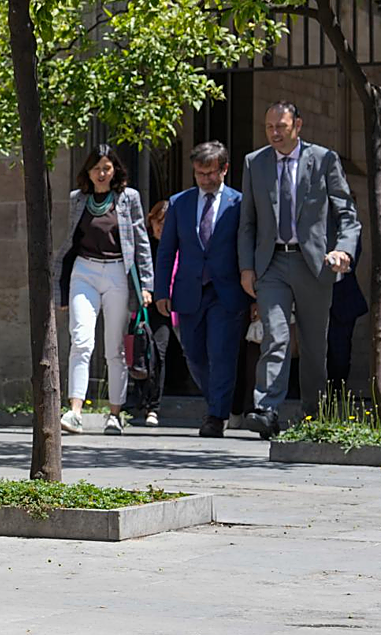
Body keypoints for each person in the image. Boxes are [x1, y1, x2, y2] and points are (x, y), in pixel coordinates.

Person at [238, 101, 360, 438]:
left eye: (281, 127)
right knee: (275, 336)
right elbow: (247, 221)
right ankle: (267, 409)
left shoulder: (323, 160)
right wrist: (246, 267)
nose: (275, 133)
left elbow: (347, 213)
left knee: (312, 345)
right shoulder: (254, 163)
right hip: (272, 262)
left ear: (298, 126)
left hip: (314, 264)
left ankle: (314, 413)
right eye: (269, 128)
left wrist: (343, 249)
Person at [53, 145, 154, 436]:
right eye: (96, 168)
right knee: (81, 339)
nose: (101, 173)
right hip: (84, 270)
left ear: (115, 171)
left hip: (117, 272)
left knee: (115, 348)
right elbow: (70, 240)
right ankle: (74, 411)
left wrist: (146, 285)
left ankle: (115, 412)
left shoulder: (127, 198)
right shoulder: (78, 199)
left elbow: (141, 241)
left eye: (106, 168)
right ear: (87, 171)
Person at [154, 142, 251, 438]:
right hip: (189, 291)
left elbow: (247, 247)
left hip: (227, 291)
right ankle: (222, 401)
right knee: (194, 354)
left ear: (224, 170)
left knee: (222, 353)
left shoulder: (240, 203)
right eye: (200, 174)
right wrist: (161, 290)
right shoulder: (180, 203)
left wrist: (253, 289)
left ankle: (216, 416)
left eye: (211, 173)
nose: (205, 179)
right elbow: (167, 250)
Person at [138, 199, 180, 427]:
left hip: (167, 306)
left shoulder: (178, 245)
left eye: (166, 224)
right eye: (158, 223)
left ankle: (153, 406)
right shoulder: (144, 246)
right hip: (144, 306)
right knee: (140, 352)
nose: (161, 228)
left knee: (159, 353)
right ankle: (139, 400)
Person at [327, 227, 367, 392]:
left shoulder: (349, 225)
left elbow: (351, 258)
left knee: (339, 354)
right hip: (309, 297)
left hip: (341, 300)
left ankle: (335, 399)